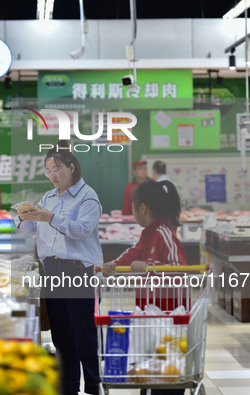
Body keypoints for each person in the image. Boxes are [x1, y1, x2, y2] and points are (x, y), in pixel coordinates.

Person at [15, 142, 102, 395]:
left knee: (83, 332)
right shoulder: (48, 198)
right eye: (48, 170)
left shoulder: (88, 197)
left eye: (57, 169)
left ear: (71, 167)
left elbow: (82, 230)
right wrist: (23, 217)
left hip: (77, 272)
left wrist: (50, 218)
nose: (53, 175)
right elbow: (34, 229)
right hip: (50, 270)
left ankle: (94, 386)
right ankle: (68, 388)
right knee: (61, 334)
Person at [103, 180, 186, 395]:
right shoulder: (148, 232)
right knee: (150, 364)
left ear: (142, 208)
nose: (132, 212)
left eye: (133, 207)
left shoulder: (164, 232)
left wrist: (150, 266)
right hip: (150, 313)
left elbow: (180, 269)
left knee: (167, 364)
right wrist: (114, 264)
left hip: (168, 314)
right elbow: (133, 253)